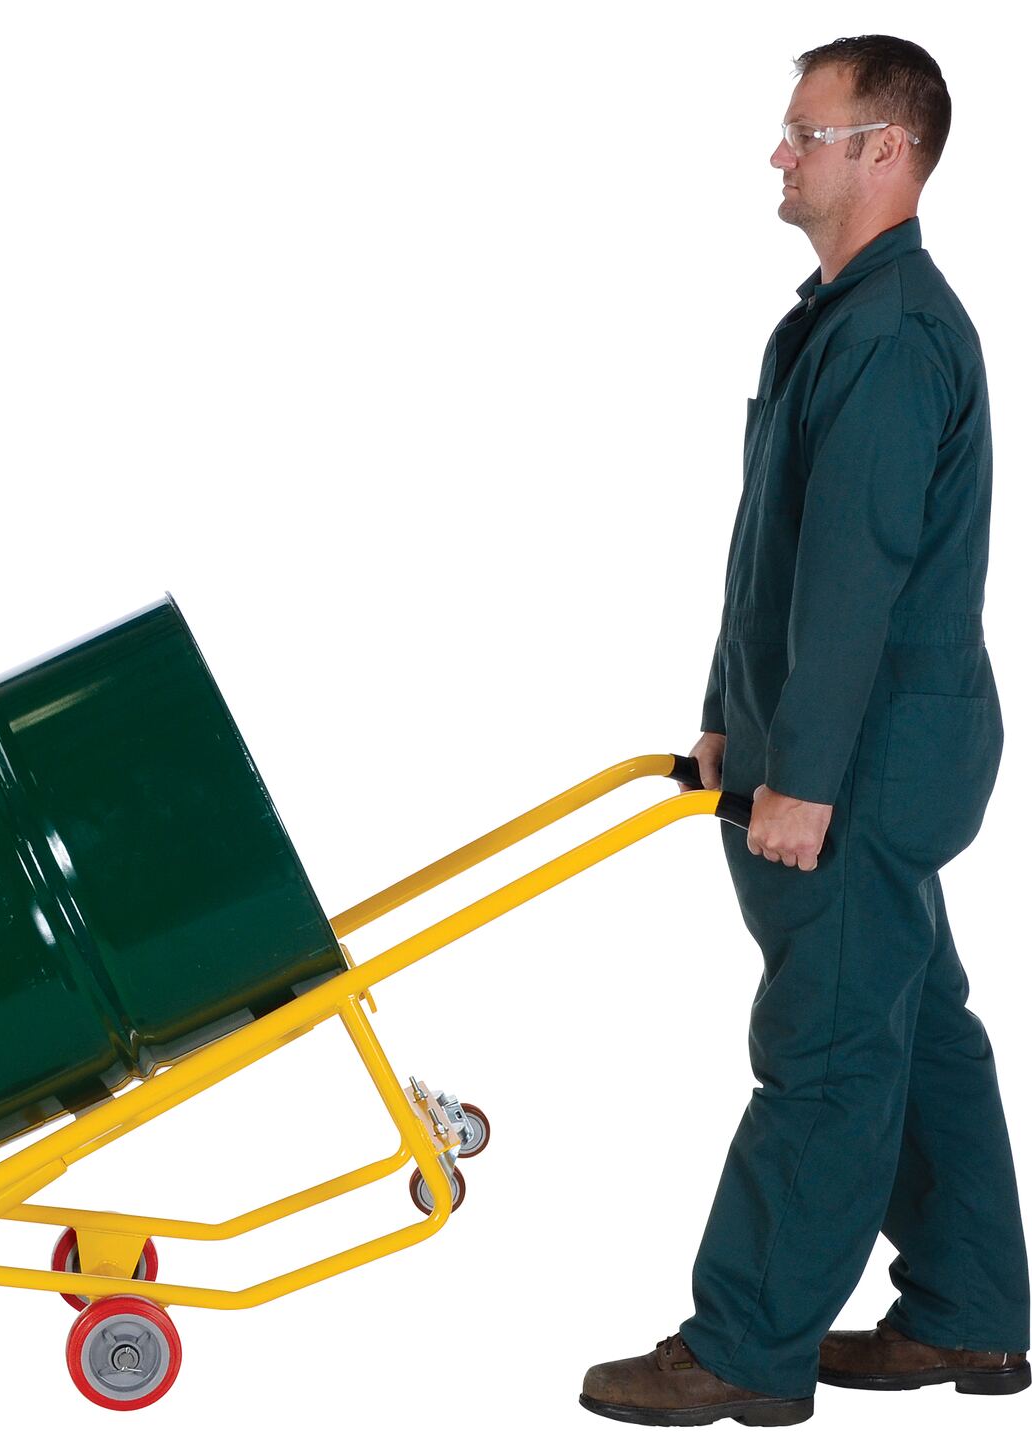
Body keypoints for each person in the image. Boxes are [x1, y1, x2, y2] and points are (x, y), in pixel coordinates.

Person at [579, 35, 1029, 1427]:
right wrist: (732, 718)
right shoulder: (844, 318)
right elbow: (774, 554)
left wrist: (807, 776)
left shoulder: (888, 336)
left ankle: (745, 1348)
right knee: (916, 1029)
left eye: (807, 133)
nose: (781, 154)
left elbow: (854, 578)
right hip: (854, 747)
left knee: (829, 1049)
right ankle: (971, 1310)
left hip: (865, 760)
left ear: (887, 151)